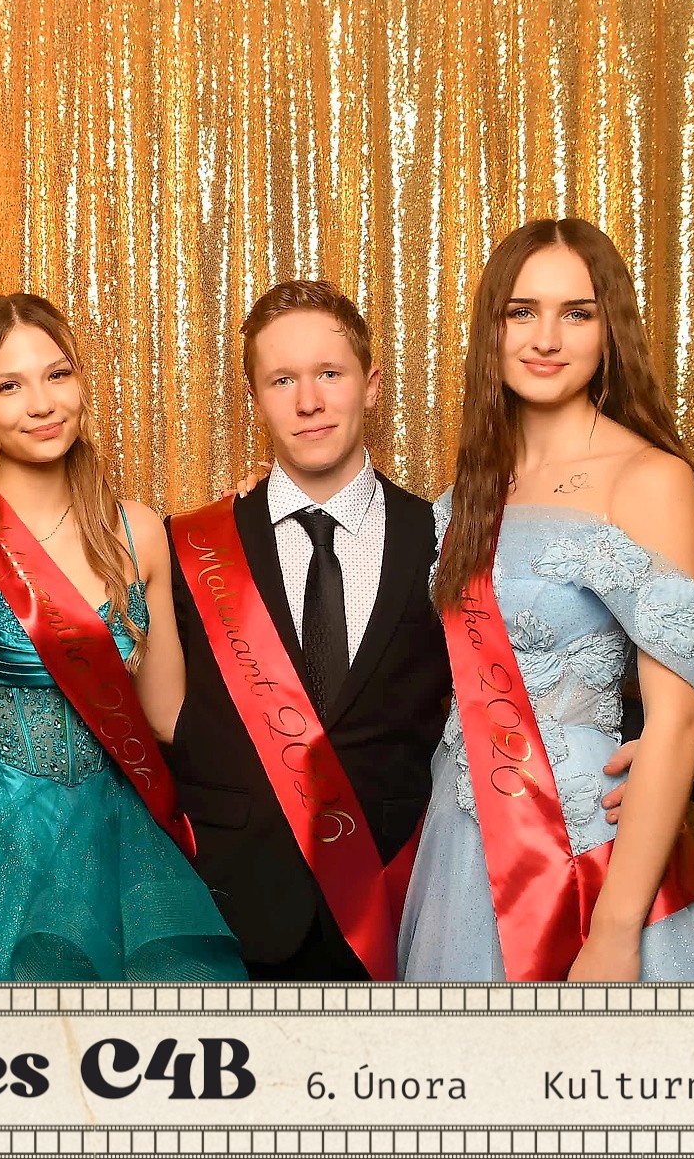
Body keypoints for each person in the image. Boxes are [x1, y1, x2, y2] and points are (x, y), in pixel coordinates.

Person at [0, 292, 247, 981]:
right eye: (9, 386)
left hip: (122, 841)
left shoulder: (138, 530)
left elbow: (166, 714)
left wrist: (253, 538)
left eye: (58, 375)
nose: (41, 404)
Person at [400, 218, 694, 982]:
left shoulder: (648, 479)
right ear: (493, 329)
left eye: (577, 313)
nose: (546, 338)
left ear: (609, 330)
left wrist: (615, 933)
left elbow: (678, 717)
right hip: (463, 836)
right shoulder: (467, 496)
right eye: (522, 311)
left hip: (585, 849)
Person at [159, 280, 452, 981]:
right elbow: (153, 708)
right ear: (256, 399)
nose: (309, 401)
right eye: (283, 379)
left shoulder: (439, 537)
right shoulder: (190, 546)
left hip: (393, 901)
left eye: (330, 374)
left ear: (371, 387)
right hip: (233, 906)